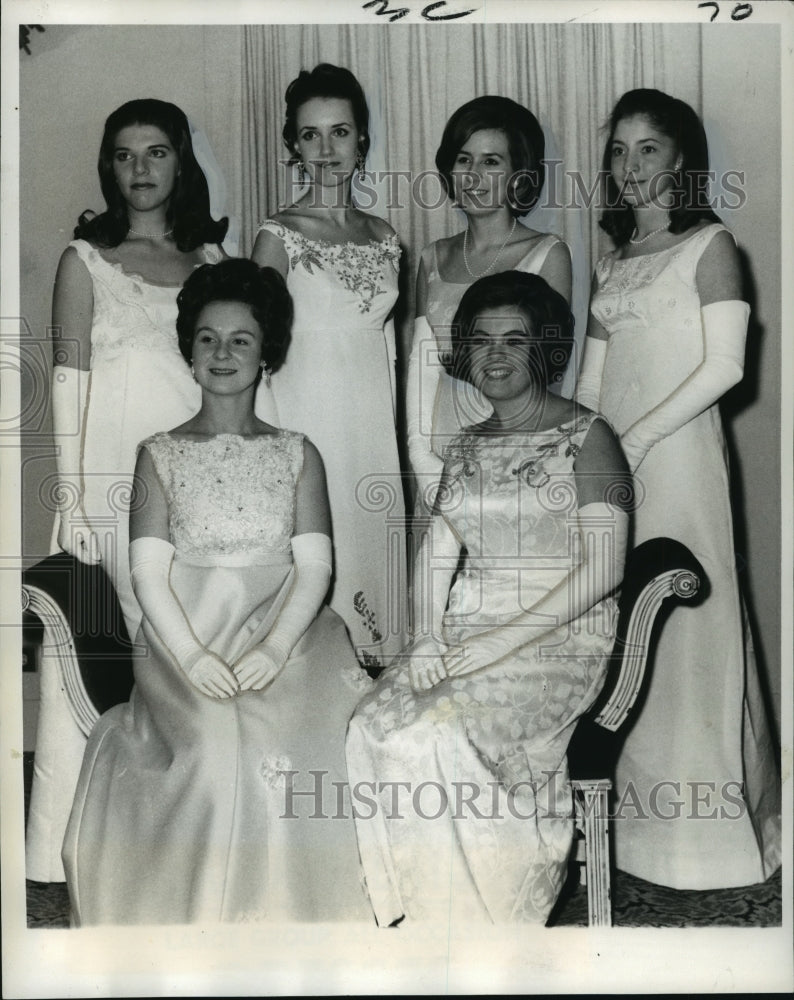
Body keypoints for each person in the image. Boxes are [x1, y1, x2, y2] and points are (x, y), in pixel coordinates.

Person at [62, 260, 373, 925]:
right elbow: (148, 576)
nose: (223, 353)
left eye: (241, 339)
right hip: (185, 639)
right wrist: (194, 657)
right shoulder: (158, 453)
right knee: (212, 753)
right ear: (190, 352)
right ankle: (197, 919)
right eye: (207, 338)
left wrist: (274, 647)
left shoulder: (298, 453)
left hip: (286, 638)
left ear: (267, 354)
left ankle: (295, 919)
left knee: (284, 752)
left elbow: (313, 569)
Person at [346, 272, 629, 926]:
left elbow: (605, 567)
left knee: (435, 731)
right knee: (372, 724)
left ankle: (487, 911)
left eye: (514, 340)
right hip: (468, 626)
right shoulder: (468, 445)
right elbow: (437, 552)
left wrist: (500, 642)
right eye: (480, 340)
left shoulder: (591, 437)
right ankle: (417, 912)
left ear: (544, 350)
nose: (495, 355)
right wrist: (425, 637)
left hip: (560, 636)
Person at [575, 88, 781, 889]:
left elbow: (724, 366)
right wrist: (580, 450)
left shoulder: (712, 245)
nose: (630, 167)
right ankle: (631, 830)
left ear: (681, 158)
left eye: (647, 149)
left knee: (688, 622)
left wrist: (641, 437)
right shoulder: (614, 259)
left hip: (679, 457)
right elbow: (592, 381)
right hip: (615, 465)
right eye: (619, 152)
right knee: (621, 628)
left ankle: (707, 837)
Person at [29, 99, 230, 885]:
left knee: (188, 657)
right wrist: (73, 501)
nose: (141, 169)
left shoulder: (214, 261)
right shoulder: (86, 260)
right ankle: (80, 850)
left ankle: (178, 846)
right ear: (108, 168)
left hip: (192, 488)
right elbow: (69, 386)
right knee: (108, 660)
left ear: (181, 161)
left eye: (156, 153)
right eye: (124, 155)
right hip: (106, 489)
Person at [251, 63, 406, 673]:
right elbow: (255, 358)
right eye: (310, 135)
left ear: (361, 139)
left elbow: (393, 354)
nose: (326, 149)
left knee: (376, 583)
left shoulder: (386, 236)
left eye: (339, 132)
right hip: (308, 430)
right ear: (293, 145)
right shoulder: (278, 235)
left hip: (371, 438)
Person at [407, 95, 572, 516]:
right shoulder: (432, 257)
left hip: (516, 438)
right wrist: (421, 458)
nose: (475, 176)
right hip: (438, 440)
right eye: (464, 160)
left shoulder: (547, 253)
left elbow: (548, 364)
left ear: (519, 175)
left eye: (491, 162)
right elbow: (418, 368)